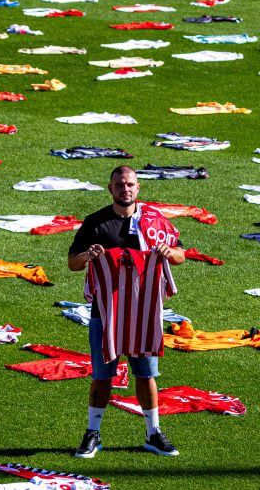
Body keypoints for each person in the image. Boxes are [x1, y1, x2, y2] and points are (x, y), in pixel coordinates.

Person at [67, 165, 186, 458]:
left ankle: (153, 433)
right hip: (105, 312)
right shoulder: (96, 223)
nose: (125, 189)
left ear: (138, 188)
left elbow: (180, 254)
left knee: (146, 374)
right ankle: (92, 433)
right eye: (120, 185)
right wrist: (88, 256)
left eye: (130, 184)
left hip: (143, 313)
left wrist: (169, 252)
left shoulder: (153, 221)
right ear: (110, 188)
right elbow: (73, 263)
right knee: (102, 375)